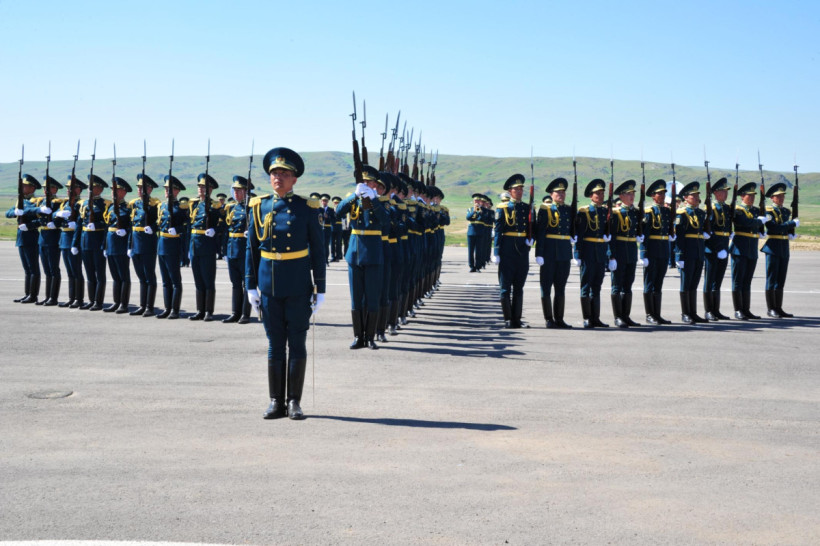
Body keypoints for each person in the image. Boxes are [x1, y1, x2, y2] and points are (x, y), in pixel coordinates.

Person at [246, 147, 325, 420]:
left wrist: (320, 288)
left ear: (294, 179)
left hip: (298, 284)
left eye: (284, 173)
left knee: (297, 342)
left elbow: (318, 250)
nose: (278, 177)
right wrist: (250, 285)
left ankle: (294, 402)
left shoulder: (307, 208)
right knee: (275, 343)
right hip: (269, 285)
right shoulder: (259, 206)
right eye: (274, 173)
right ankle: (275, 400)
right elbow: (251, 249)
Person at [335, 165, 389, 349]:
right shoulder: (354, 200)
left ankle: (370, 337)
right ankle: (358, 337)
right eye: (363, 181)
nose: (366, 184)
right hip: (355, 254)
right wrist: (354, 195)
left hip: (373, 254)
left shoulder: (380, 202)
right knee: (356, 298)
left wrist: (373, 200)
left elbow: (386, 221)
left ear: (375, 184)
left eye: (369, 182)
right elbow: (338, 211)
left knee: (372, 298)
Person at [493, 173, 533, 328]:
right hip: (507, 249)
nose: (519, 191)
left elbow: (533, 226)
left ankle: (517, 319)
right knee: (505, 287)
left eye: (521, 189)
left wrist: (532, 238)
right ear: (510, 191)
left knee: (519, 287)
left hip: (522, 249)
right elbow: (498, 231)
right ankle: (508, 319)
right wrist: (496, 252)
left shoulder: (527, 208)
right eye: (516, 189)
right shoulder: (503, 208)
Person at [535, 178, 574, 329]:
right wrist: (539, 253)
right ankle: (548, 319)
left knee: (560, 287)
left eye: (563, 192)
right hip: (549, 252)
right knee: (546, 287)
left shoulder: (569, 209)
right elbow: (541, 232)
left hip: (564, 252)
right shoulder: (545, 209)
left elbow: (573, 228)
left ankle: (559, 319)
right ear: (551, 194)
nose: (561, 194)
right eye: (558, 192)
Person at [188, 173, 224, 321]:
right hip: (194, 246)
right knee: (198, 280)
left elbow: (224, 224)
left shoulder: (215, 206)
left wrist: (215, 230)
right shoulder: (194, 204)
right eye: (199, 186)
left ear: (210, 189)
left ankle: (209, 311)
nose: (200, 189)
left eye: (204, 187)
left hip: (207, 246)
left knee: (208, 280)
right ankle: (200, 310)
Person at [730, 182, 768, 320]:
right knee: (738, 281)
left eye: (753, 196)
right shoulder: (738, 210)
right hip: (739, 249)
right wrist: (759, 222)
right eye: (749, 195)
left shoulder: (756, 210)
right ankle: (738, 310)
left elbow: (758, 224)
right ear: (742, 196)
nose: (752, 198)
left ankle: (746, 309)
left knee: (747, 281)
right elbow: (745, 222)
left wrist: (761, 228)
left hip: (752, 249)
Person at [575, 179, 610, 328]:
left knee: (597, 286)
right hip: (588, 252)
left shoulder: (605, 211)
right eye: (597, 193)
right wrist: (577, 254)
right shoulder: (584, 211)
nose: (600, 196)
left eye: (602, 193)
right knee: (586, 285)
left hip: (600, 253)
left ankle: (596, 318)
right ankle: (587, 318)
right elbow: (579, 234)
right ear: (591, 196)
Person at [761, 182, 799, 317]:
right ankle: (771, 308)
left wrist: (790, 232)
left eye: (782, 196)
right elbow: (773, 228)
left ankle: (778, 307)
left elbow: (784, 227)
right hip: (773, 247)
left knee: (781, 279)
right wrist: (791, 224)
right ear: (772, 198)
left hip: (784, 247)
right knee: (772, 279)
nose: (781, 198)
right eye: (778, 196)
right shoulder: (768, 211)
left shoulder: (786, 211)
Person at [608, 180, 642, 327]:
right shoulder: (615, 213)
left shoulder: (635, 212)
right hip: (619, 252)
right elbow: (611, 237)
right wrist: (611, 256)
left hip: (631, 252)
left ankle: (626, 316)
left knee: (628, 285)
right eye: (628, 194)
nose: (632, 196)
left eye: (633, 194)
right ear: (621, 196)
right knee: (617, 285)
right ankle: (618, 317)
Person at [640, 179, 675, 325]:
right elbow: (644, 235)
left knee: (658, 283)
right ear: (653, 196)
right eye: (659, 194)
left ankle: (657, 314)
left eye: (663, 193)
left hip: (663, 251)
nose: (662, 196)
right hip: (652, 251)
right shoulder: (648, 212)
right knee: (650, 283)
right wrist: (643, 254)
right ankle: (649, 314)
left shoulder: (667, 211)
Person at [674, 181, 709, 324]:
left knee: (694, 284)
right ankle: (685, 313)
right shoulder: (681, 214)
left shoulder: (700, 213)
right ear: (685, 198)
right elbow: (679, 237)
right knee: (686, 283)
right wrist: (679, 256)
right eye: (693, 196)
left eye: (697, 195)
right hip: (687, 253)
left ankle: (693, 313)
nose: (696, 198)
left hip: (699, 252)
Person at [75, 174, 110, 311]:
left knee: (99, 273)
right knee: (89, 273)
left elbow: (107, 224)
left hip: (98, 242)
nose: (90, 189)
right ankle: (91, 300)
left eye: (93, 187)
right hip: (85, 243)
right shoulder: (83, 204)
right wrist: (75, 243)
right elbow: (79, 225)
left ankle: (98, 301)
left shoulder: (105, 204)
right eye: (89, 187)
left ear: (100, 189)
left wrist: (97, 226)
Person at [156, 176, 188, 319]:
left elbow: (187, 225)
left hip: (173, 245)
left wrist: (178, 229)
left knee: (175, 280)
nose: (167, 191)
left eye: (170, 189)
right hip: (162, 244)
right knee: (165, 281)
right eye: (166, 189)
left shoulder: (181, 207)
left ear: (177, 191)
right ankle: (167, 308)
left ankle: (175, 309)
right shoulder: (162, 206)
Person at [222, 175, 254, 324]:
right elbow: (227, 230)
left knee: (246, 283)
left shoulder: (251, 208)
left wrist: (250, 233)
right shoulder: (232, 208)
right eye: (234, 190)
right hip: (232, 249)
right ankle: (235, 312)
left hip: (244, 249)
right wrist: (224, 250)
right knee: (235, 283)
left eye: (239, 190)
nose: (236, 192)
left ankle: (245, 314)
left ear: (246, 191)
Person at [128, 174, 161, 316]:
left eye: (143, 188)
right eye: (139, 187)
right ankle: (142, 305)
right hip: (136, 243)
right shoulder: (134, 204)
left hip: (147, 243)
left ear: (150, 189)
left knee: (149, 276)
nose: (140, 190)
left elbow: (161, 221)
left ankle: (149, 306)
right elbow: (132, 225)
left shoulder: (155, 204)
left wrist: (152, 227)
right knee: (141, 277)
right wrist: (129, 245)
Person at [6, 174, 42, 303]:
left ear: (32, 188)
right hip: (21, 238)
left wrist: (29, 225)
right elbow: (8, 213)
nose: (22, 188)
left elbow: (41, 220)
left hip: (31, 236)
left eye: (25, 186)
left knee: (33, 268)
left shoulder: (36, 202)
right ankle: (27, 294)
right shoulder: (20, 201)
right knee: (27, 268)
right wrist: (15, 212)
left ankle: (33, 295)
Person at [54, 176, 87, 308]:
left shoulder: (81, 204)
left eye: (72, 188)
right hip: (64, 240)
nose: (69, 190)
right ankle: (71, 298)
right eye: (68, 188)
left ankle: (79, 299)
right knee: (69, 272)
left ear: (79, 190)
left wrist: (76, 225)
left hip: (74, 240)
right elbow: (54, 215)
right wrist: (58, 215)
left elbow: (82, 219)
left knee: (76, 271)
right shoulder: (64, 204)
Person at [102, 177, 133, 313]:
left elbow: (132, 226)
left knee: (123, 276)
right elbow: (106, 228)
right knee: (115, 276)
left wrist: (126, 232)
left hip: (121, 245)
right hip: (111, 245)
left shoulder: (128, 208)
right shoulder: (110, 207)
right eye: (112, 190)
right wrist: (105, 246)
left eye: (116, 190)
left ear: (124, 192)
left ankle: (123, 304)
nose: (113, 192)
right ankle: (116, 302)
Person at [703, 177, 732, 320]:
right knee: (709, 281)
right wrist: (718, 248)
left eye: (726, 191)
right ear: (715, 193)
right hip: (712, 249)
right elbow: (709, 231)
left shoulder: (726, 208)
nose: (725, 194)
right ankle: (708, 310)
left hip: (724, 247)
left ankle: (716, 310)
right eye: (722, 191)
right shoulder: (711, 209)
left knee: (718, 281)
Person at [35, 176, 64, 306]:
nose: (45, 191)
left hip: (53, 237)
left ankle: (53, 297)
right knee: (47, 270)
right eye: (44, 188)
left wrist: (54, 219)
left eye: (48, 188)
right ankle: (48, 296)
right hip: (42, 237)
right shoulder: (41, 202)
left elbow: (59, 215)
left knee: (53, 269)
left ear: (55, 189)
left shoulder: (58, 202)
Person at [466, 193, 484, 272]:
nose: (476, 202)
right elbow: (468, 217)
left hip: (480, 232)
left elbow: (483, 218)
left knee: (479, 250)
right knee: (471, 251)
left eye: (478, 200)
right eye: (475, 200)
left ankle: (478, 267)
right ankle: (471, 266)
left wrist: (479, 211)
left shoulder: (483, 210)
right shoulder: (470, 209)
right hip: (471, 232)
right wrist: (474, 211)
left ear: (480, 201)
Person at [319, 193, 335, 265]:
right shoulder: (318, 209)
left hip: (327, 229)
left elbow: (334, 220)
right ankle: (320, 260)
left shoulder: (331, 210)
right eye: (323, 201)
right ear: (321, 201)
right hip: (319, 229)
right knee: (319, 245)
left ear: (327, 202)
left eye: (325, 201)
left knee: (326, 245)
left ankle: (326, 260)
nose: (324, 202)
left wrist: (327, 217)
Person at [330, 196, 343, 261]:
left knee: (338, 243)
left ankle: (338, 256)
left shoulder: (341, 210)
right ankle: (333, 256)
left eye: (337, 203)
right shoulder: (331, 210)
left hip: (339, 228)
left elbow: (343, 216)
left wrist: (338, 211)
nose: (336, 204)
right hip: (332, 228)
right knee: (332, 243)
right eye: (335, 202)